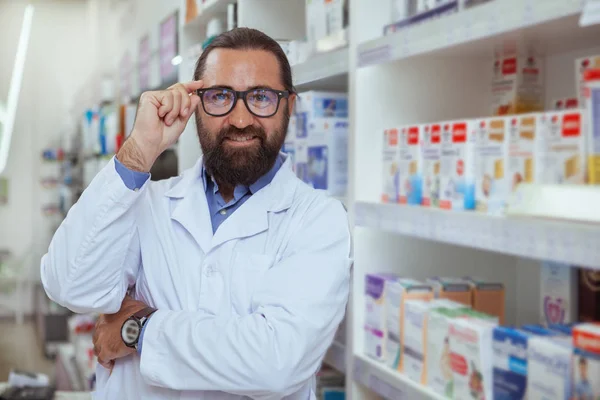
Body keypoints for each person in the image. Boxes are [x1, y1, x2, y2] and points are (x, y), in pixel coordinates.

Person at [41, 27, 351, 399]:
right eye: (221, 96)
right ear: (195, 104)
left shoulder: (319, 220)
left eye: (262, 97)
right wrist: (139, 150)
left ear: (289, 105)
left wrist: (138, 328)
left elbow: (277, 362)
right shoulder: (148, 203)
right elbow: (69, 284)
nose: (240, 119)